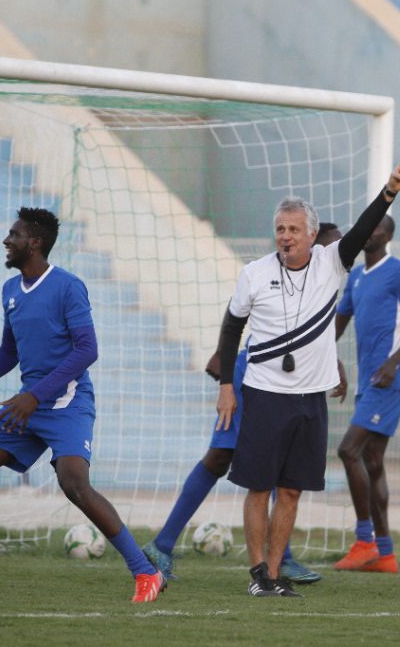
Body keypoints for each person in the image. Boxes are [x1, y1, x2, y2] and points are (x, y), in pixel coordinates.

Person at [0, 207, 165, 603]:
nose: (7, 241)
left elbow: (88, 349)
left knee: (74, 483)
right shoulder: (10, 291)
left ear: (34, 243)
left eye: (14, 235)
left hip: (66, 403)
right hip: (27, 406)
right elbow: (9, 351)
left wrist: (34, 395)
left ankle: (146, 571)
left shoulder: (68, 287)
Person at [217, 155, 400, 598]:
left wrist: (389, 191)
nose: (285, 236)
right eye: (280, 229)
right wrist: (227, 386)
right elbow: (232, 328)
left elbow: (363, 229)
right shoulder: (254, 274)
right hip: (264, 393)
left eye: (293, 229)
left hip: (310, 399)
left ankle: (273, 573)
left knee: (290, 491)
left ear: (311, 234)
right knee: (258, 487)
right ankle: (256, 576)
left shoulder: (331, 263)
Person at [141, 223, 346, 585]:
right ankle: (163, 544)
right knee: (223, 458)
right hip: (255, 377)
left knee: (280, 469)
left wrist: (335, 363)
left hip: (285, 385)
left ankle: (279, 558)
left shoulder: (322, 277)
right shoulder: (273, 272)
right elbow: (246, 322)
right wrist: (225, 368)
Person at [332, 215, 400, 573]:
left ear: (387, 236)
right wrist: (330, 363)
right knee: (372, 462)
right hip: (366, 383)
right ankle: (385, 554)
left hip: (390, 381)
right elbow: (337, 327)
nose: (367, 232)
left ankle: (364, 541)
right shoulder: (356, 277)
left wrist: (394, 361)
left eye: (375, 228)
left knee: (348, 450)